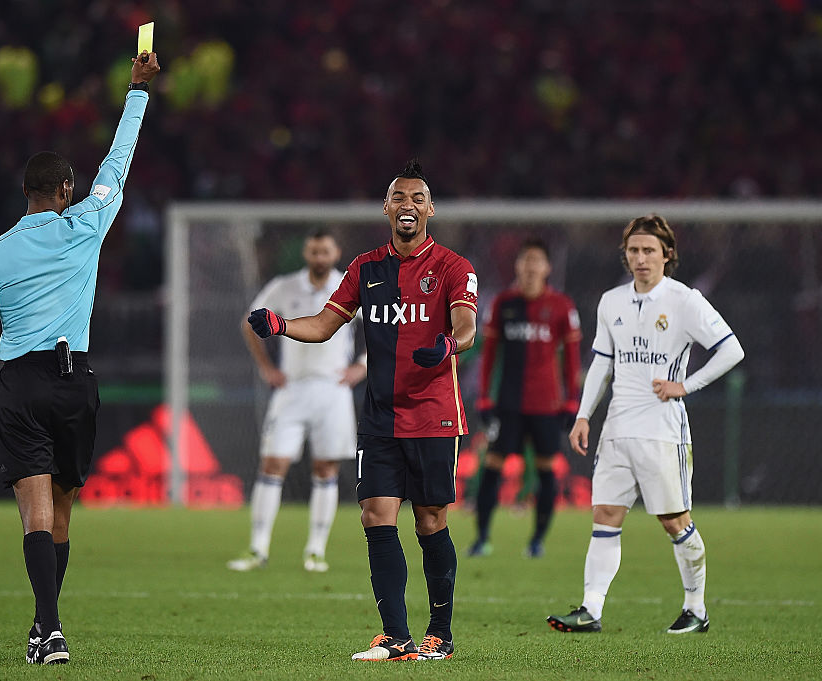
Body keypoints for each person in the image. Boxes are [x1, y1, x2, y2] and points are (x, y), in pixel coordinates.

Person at [0, 52, 161, 664]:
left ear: (25, 192)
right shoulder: (86, 225)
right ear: (67, 190)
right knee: (64, 506)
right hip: (74, 381)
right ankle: (47, 629)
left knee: (35, 511)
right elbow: (116, 165)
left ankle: (47, 629)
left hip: (18, 382)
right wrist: (136, 92)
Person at [248, 160, 477, 661]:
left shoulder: (453, 268)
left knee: (431, 521)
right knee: (376, 516)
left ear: (430, 209)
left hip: (434, 414)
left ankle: (441, 632)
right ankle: (396, 636)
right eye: (399, 197)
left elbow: (466, 326)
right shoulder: (364, 268)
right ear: (386, 208)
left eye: (417, 198)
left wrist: (448, 346)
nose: (408, 205)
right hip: (379, 416)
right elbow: (325, 324)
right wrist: (281, 324)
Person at [547, 214, 744, 635]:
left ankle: (697, 609)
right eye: (634, 251)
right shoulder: (611, 301)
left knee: (674, 520)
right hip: (617, 427)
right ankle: (591, 610)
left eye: (649, 250)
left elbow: (731, 349)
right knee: (605, 515)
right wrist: (584, 415)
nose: (640, 258)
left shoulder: (684, 300)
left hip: (661, 430)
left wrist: (685, 386)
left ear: (667, 255)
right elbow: (601, 362)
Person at [227, 230, 367, 573]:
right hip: (292, 389)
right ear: (307, 253)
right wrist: (267, 368)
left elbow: (382, 331)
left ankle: (315, 550)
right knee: (273, 464)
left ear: (335, 253)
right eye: (314, 250)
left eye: (325, 251)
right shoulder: (284, 285)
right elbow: (250, 322)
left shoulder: (348, 286)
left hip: (333, 389)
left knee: (326, 469)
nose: (319, 256)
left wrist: (360, 367)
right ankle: (258, 548)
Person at [470, 237, 581, 559]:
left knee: (547, 470)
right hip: (508, 403)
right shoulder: (504, 303)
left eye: (537, 260)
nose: (530, 267)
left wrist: (572, 401)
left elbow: (572, 359)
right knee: (492, 467)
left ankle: (536, 540)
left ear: (547, 267)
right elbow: (489, 355)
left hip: (547, 405)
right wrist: (484, 399)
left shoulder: (561, 306)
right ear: (517, 265)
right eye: (525, 260)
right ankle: (482, 539)